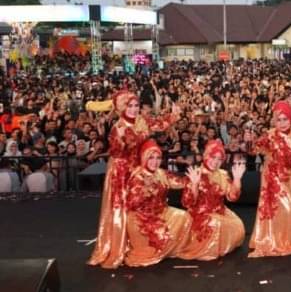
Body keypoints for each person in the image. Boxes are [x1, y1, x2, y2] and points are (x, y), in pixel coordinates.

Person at [88, 91, 180, 269]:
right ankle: (119, 246)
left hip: (138, 166)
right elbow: (116, 152)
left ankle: (139, 243)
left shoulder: (142, 120)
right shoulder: (118, 127)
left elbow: (158, 124)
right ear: (122, 108)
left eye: (136, 106)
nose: (133, 109)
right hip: (121, 171)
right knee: (122, 207)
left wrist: (173, 115)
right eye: (129, 106)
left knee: (141, 204)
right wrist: (122, 139)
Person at [248, 100, 291, 257]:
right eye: (279, 119)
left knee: (290, 210)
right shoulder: (270, 135)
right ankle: (272, 240)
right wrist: (249, 139)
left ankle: (289, 239)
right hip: (273, 179)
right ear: (274, 121)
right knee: (282, 209)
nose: (282, 123)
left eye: (285, 119)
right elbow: (253, 150)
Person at [124, 140, 191, 267]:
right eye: (151, 158)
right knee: (157, 242)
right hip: (141, 218)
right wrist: (145, 190)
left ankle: (174, 249)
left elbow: (178, 182)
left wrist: (193, 180)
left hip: (162, 212)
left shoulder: (161, 172)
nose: (155, 162)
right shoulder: (137, 175)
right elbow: (132, 203)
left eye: (158, 158)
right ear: (144, 158)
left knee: (184, 216)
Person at [178, 139, 246, 261]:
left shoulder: (223, 174)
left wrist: (237, 180)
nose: (215, 162)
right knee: (215, 223)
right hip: (199, 214)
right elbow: (187, 203)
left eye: (219, 159)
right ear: (206, 156)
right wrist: (194, 185)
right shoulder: (196, 172)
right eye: (213, 157)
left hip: (220, 211)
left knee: (239, 225)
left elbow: (232, 197)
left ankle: (220, 244)